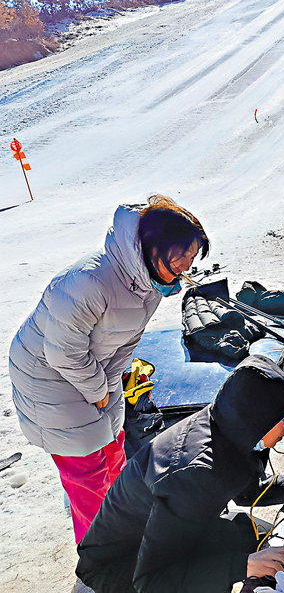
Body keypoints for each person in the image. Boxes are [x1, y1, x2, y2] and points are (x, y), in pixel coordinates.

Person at [9, 195, 209, 544]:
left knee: (114, 451)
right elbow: (63, 353)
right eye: (181, 256)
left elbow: (125, 342)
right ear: (152, 246)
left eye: (192, 257)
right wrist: (100, 392)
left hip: (92, 372)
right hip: (46, 378)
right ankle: (102, 558)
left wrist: (111, 387)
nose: (186, 267)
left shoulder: (148, 281)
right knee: (86, 470)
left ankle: (125, 528)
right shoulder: (89, 281)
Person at [76, 355, 284, 593]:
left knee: (255, 534)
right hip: (122, 566)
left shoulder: (231, 425)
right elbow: (152, 581)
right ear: (260, 418)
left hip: (165, 535)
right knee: (243, 556)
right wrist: (243, 565)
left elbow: (245, 489)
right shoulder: (194, 474)